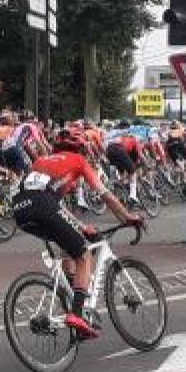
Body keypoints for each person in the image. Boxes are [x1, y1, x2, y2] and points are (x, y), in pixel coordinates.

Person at [11, 129, 144, 338]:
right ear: (80, 149)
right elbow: (105, 195)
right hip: (42, 206)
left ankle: (72, 297)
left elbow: (56, 208)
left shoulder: (41, 161)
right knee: (83, 254)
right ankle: (77, 314)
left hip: (20, 210)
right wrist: (127, 217)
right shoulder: (78, 161)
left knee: (68, 248)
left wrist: (82, 227)